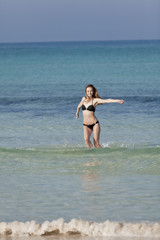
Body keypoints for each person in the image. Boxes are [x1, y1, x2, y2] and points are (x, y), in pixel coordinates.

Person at [76, 84, 124, 148]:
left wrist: (118, 101)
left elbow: (107, 101)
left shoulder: (95, 100)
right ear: (86, 92)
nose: (89, 92)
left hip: (94, 124)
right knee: (86, 140)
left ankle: (101, 155)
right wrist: (77, 113)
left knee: (96, 144)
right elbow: (78, 106)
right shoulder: (83, 99)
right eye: (88, 91)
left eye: (91, 91)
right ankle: (92, 153)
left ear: (93, 92)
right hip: (85, 125)